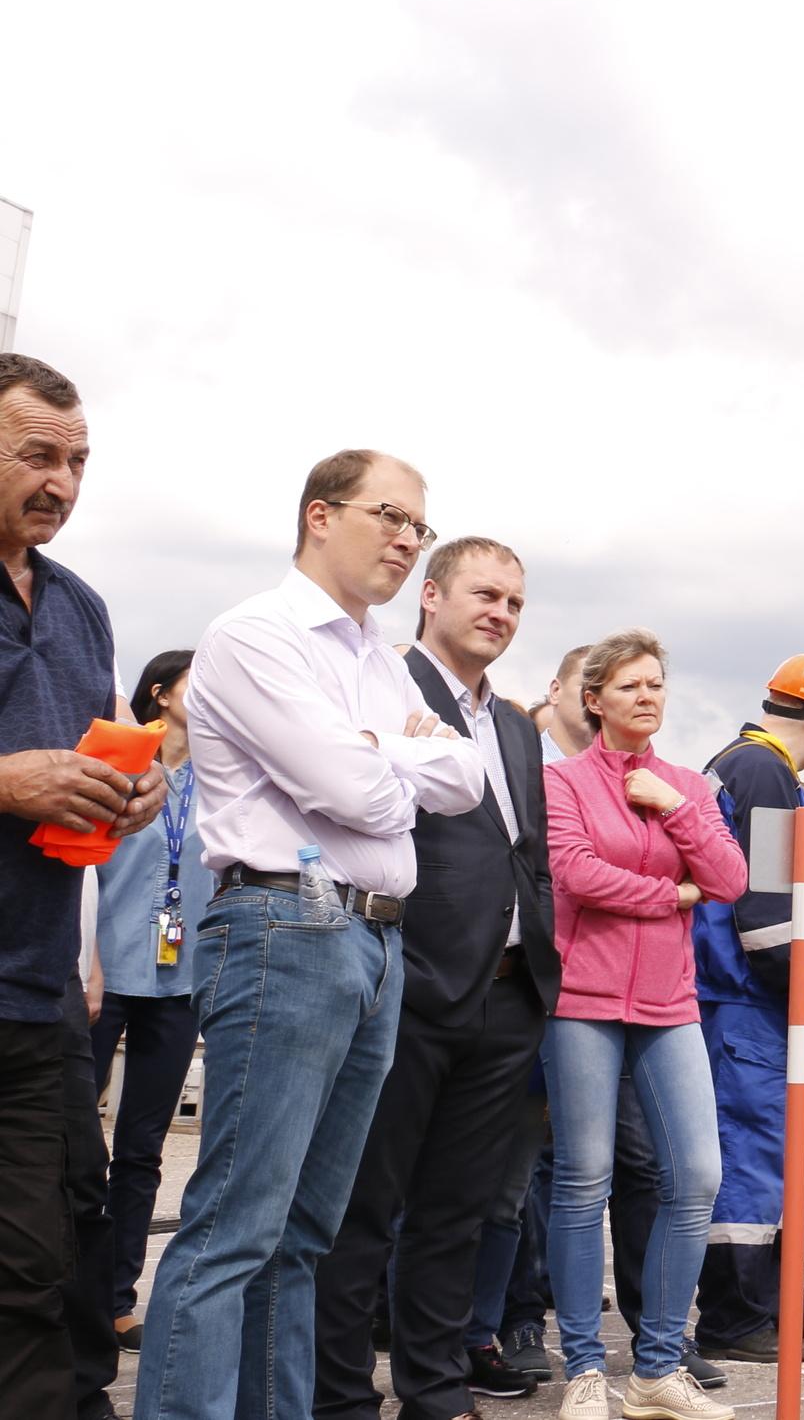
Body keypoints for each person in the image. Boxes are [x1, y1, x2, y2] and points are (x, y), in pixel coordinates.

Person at [136, 450, 485, 1420]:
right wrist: (392, 753)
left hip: (373, 941)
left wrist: (380, 749)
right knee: (235, 1228)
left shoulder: (378, 656)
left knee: (303, 1236)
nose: (410, 543)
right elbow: (357, 792)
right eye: (392, 518)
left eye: (420, 527)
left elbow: (466, 782)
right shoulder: (256, 635)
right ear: (321, 515)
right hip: (285, 924)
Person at [309, 536, 560, 1420]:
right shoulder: (382, 685)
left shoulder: (520, 724)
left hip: (508, 994)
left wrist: (539, 965)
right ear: (431, 595)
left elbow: (522, 852)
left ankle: (432, 1387)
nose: (501, 613)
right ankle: (339, 1397)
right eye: (485, 594)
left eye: (516, 602)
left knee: (456, 1213)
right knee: (363, 1207)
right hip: (406, 985)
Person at [0, 354, 166, 1413]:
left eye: (77, 461)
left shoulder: (82, 606)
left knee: (56, 1244)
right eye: (35, 456)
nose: (61, 480)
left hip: (38, 986)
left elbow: (92, 759)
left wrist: (130, 794)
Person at [542, 629, 748, 1420]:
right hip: (584, 998)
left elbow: (729, 878)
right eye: (629, 684)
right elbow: (575, 872)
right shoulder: (560, 779)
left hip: (670, 1002)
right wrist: (673, 894)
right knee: (583, 1178)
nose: (646, 695)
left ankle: (658, 1367)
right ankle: (585, 1368)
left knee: (697, 1174)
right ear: (594, 700)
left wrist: (677, 812)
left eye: (656, 683)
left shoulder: (688, 785)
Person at [692, 657, 804, 1361]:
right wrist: (801, 998)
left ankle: (781, 1300)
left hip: (768, 1001)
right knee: (749, 1156)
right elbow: (764, 916)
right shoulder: (761, 771)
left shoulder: (785, 782)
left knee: (776, 1156)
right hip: (748, 1002)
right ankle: (737, 1316)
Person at [89, 650, 213, 1352]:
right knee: (75, 1142)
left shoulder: (223, 780)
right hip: (103, 973)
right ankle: (57, 1288)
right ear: (160, 693)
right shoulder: (118, 759)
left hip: (180, 980)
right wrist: (86, 958)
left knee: (142, 1148)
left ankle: (117, 1298)